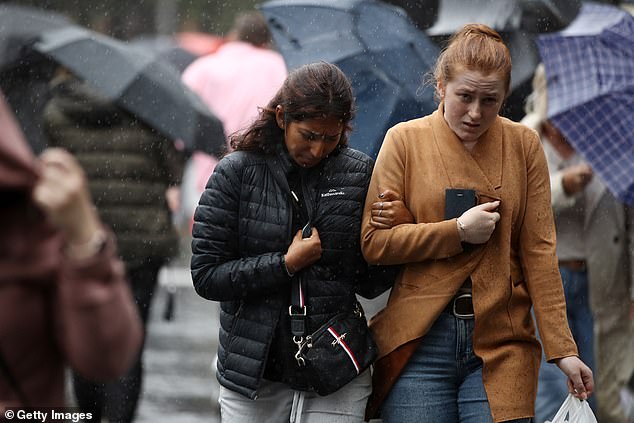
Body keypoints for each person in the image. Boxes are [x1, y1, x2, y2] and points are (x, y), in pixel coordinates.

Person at [360, 24, 594, 423]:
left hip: (502, 338)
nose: (475, 112)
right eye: (464, 97)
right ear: (440, 87)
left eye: (490, 100)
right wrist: (454, 232)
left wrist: (563, 349)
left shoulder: (523, 144)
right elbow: (374, 243)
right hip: (419, 338)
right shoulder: (404, 140)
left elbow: (539, 251)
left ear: (505, 97)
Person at [190, 62, 407, 422]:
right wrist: (285, 264)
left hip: (336, 366)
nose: (319, 149)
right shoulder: (236, 173)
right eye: (308, 135)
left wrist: (394, 236)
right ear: (281, 118)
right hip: (254, 372)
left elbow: (370, 284)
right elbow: (207, 276)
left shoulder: (359, 173)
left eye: (331, 137)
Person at [42, 70, 185, 422]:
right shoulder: (150, 112)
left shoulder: (57, 112)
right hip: (141, 241)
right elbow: (174, 173)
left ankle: (89, 413)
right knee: (129, 342)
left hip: (82, 239)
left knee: (83, 332)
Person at [0, 92, 142, 407]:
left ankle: (89, 409)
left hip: (71, 216)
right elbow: (168, 166)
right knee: (118, 335)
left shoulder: (53, 109)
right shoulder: (142, 111)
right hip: (110, 227)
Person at [522, 64, 634, 423]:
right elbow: (515, 205)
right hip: (543, 278)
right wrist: (562, 187)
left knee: (599, 383)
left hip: (599, 277)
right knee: (550, 388)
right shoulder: (524, 138)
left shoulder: (609, 142)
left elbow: (628, 221)